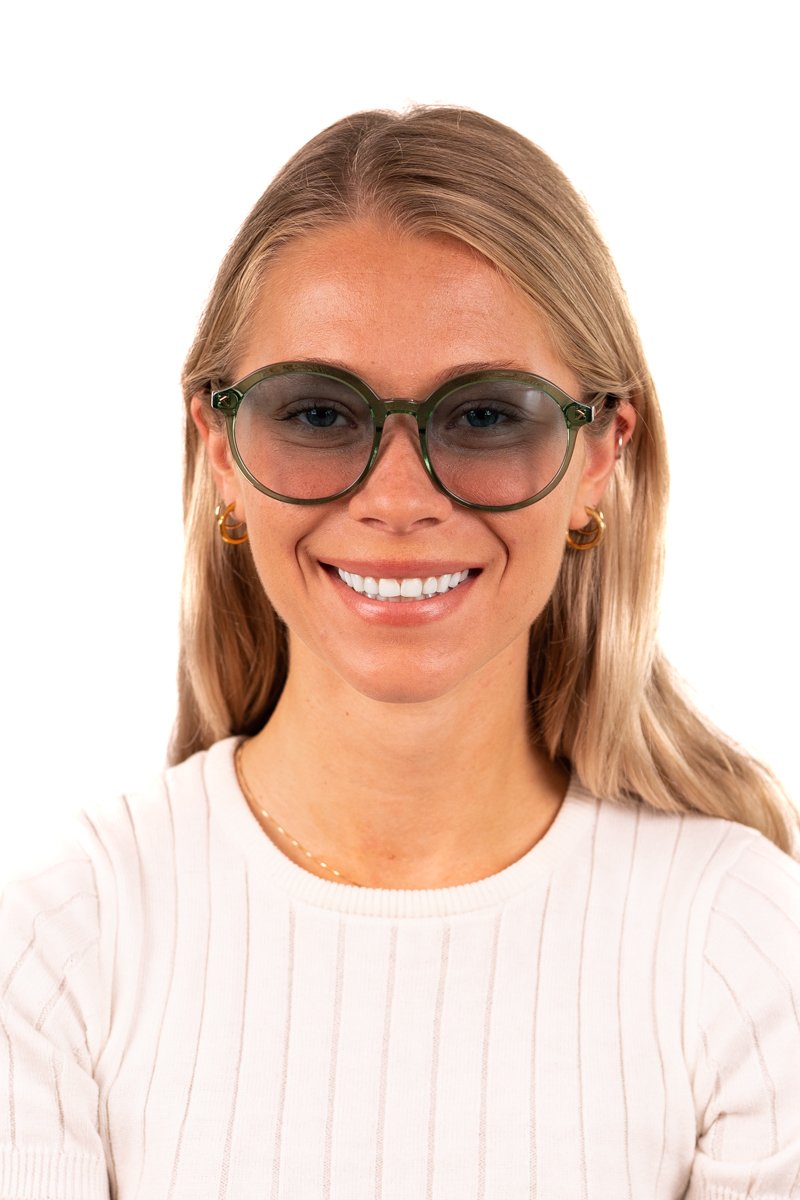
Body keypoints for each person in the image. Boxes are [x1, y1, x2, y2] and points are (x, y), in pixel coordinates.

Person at [1, 106, 798, 1200]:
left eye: (485, 417)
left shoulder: (743, 949)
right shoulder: (62, 946)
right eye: (318, 414)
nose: (396, 499)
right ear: (220, 448)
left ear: (599, 458)